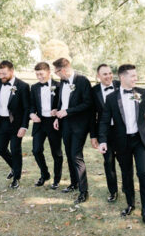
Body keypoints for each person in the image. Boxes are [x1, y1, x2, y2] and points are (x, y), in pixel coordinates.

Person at [98, 64, 145, 224]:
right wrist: (102, 140)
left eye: (136, 76)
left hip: (140, 140)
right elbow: (104, 120)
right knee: (126, 174)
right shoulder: (111, 98)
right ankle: (130, 204)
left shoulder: (142, 93)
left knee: (143, 172)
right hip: (121, 141)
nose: (135, 79)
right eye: (132, 76)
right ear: (122, 77)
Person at [52, 57, 93, 203]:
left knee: (76, 156)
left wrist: (68, 111)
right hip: (65, 125)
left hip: (79, 125)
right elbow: (62, 103)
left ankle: (84, 191)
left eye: (56, 72)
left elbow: (88, 104)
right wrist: (58, 117)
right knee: (69, 154)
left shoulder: (82, 81)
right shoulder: (63, 82)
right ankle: (74, 183)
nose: (56, 75)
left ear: (62, 70)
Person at [0, 60, 31, 189]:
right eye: (0, 73)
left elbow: (26, 108)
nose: (2, 76)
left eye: (4, 73)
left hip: (16, 124)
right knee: (0, 148)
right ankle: (14, 167)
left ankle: (16, 178)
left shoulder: (23, 86)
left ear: (12, 71)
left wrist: (24, 126)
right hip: (1, 122)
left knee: (15, 149)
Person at [29, 62, 63, 188]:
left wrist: (57, 111)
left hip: (54, 123)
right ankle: (45, 174)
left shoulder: (59, 86)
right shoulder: (34, 87)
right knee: (36, 150)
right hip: (39, 122)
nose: (39, 77)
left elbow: (63, 103)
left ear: (48, 72)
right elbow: (31, 104)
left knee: (56, 153)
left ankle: (57, 179)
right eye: (37, 74)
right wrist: (32, 114)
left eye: (41, 74)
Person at [90, 64, 120, 202]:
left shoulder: (121, 86)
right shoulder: (94, 91)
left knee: (125, 162)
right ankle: (113, 191)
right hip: (104, 132)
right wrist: (93, 135)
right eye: (104, 74)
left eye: (109, 73)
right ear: (98, 76)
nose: (108, 76)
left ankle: (127, 187)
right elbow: (91, 115)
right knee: (108, 163)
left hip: (122, 131)